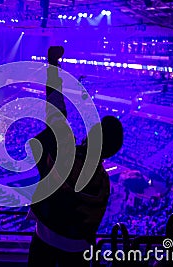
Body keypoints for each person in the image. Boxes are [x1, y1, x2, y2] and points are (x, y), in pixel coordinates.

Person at [28, 46, 123, 267]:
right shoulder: (103, 181)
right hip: (78, 250)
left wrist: (53, 66)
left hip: (45, 237)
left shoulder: (67, 156)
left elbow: (55, 110)